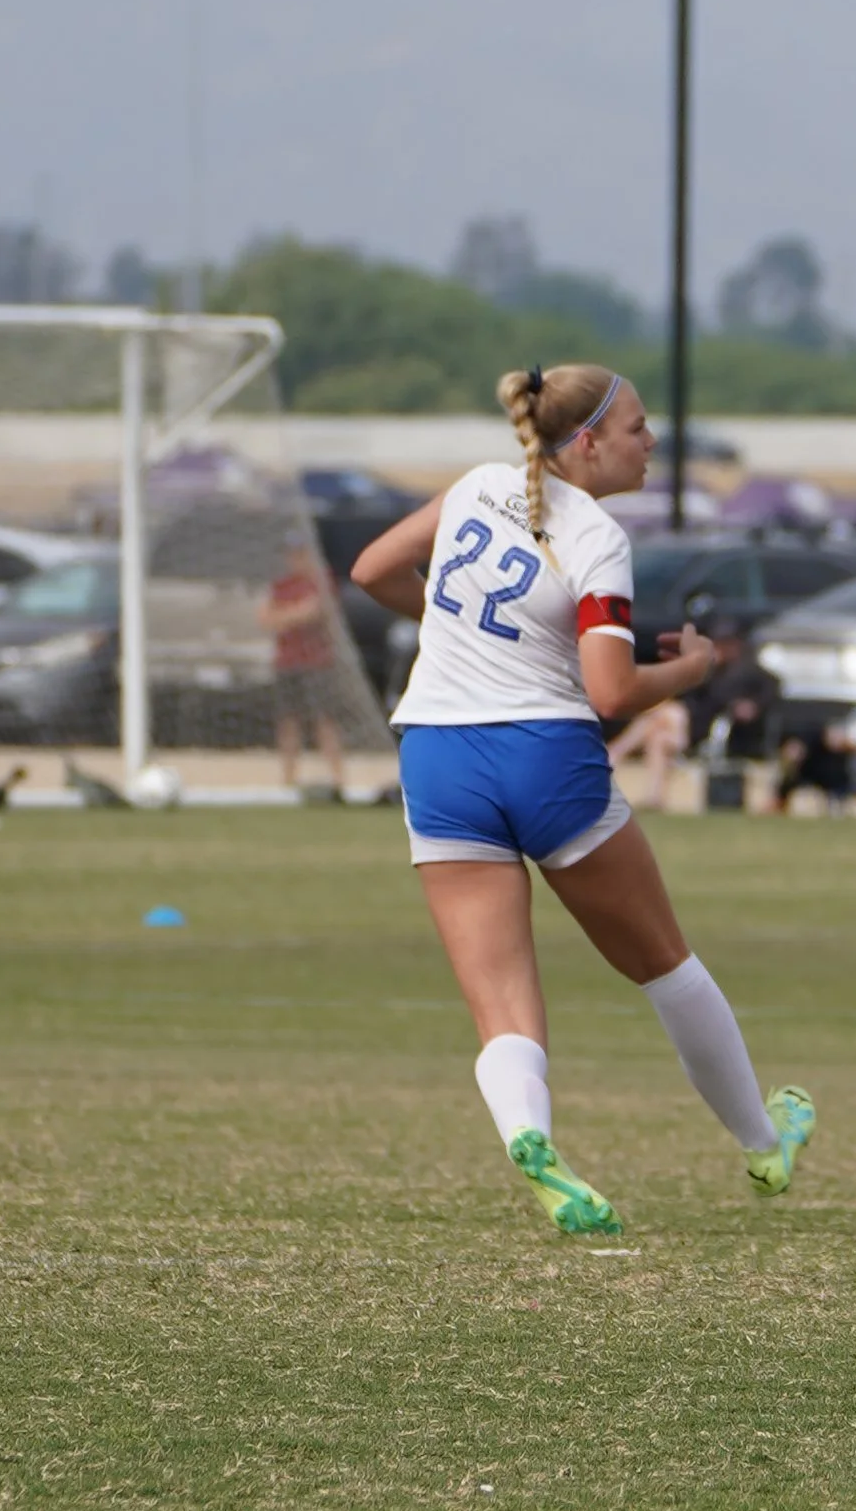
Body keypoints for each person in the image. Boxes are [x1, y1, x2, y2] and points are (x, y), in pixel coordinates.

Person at [352, 364, 814, 1238]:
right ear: (589, 442)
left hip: (440, 757)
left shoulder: (474, 488)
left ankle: (530, 1137)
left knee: (503, 1008)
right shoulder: (596, 537)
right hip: (544, 756)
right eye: (639, 428)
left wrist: (464, 639)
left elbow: (373, 568)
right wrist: (692, 668)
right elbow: (609, 694)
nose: (653, 444)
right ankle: (764, 1143)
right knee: (665, 965)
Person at [262, 538, 347, 793]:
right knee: (288, 720)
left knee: (324, 720)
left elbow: (313, 612)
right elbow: (266, 618)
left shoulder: (321, 581)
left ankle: (337, 777)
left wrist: (286, 615)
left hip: (317, 662)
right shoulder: (281, 585)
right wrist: (291, 615)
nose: (295, 560)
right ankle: (288, 779)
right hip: (288, 662)